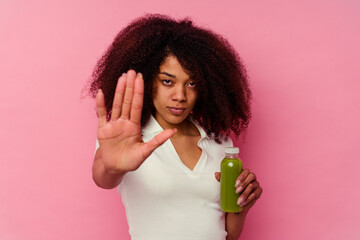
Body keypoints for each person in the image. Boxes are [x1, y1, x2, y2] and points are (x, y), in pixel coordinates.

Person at [88, 14, 262, 240]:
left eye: (191, 83)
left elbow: (228, 236)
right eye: (167, 81)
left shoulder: (220, 145)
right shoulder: (127, 140)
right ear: (149, 80)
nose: (180, 96)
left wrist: (242, 205)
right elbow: (103, 177)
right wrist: (112, 167)